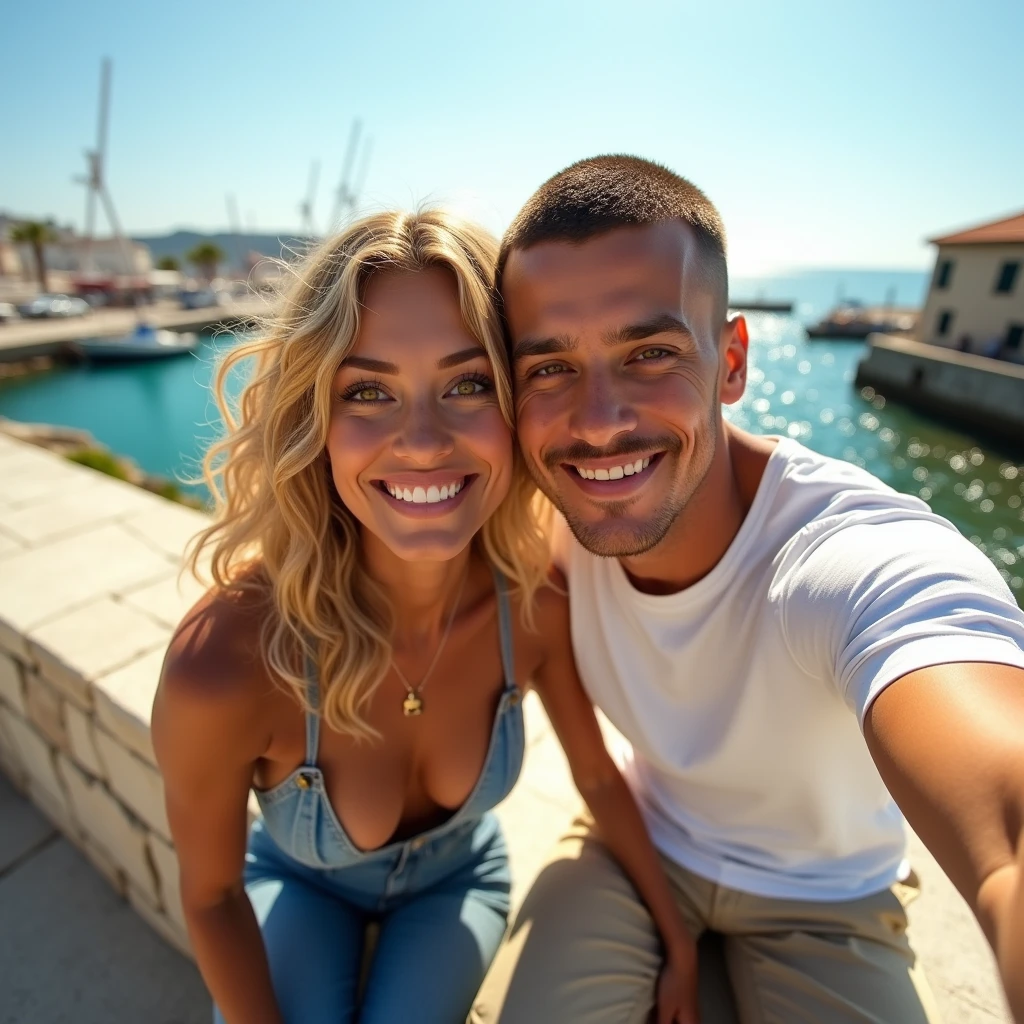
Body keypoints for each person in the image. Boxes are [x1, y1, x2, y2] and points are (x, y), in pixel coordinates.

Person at [472, 156, 1024, 1023]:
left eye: (650, 352)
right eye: (549, 369)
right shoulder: (547, 537)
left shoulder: (846, 558)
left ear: (731, 362)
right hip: (639, 847)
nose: (598, 421)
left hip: (828, 896)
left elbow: (1004, 811)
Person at [151, 209, 700, 1024]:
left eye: (468, 383)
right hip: (296, 885)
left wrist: (678, 938)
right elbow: (212, 893)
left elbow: (594, 775)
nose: (421, 441)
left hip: (458, 881)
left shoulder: (534, 599)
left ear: (517, 403)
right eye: (367, 390)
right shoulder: (228, 663)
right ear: (315, 420)